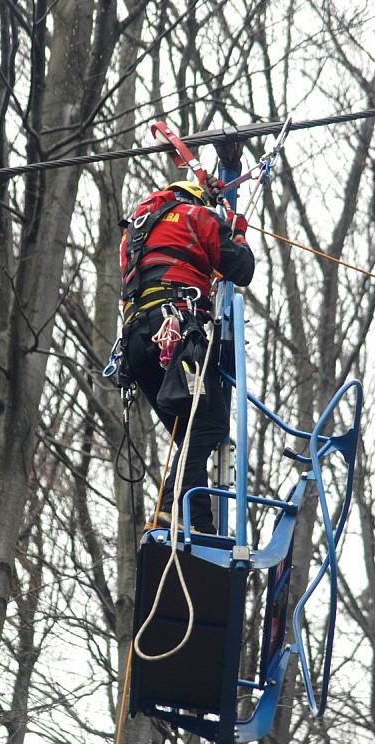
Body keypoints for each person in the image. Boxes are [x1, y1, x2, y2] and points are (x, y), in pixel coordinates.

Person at [120, 180, 254, 535]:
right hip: (175, 330)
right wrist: (235, 231)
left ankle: (201, 525)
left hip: (136, 343)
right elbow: (241, 269)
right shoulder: (197, 215)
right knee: (209, 425)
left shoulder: (134, 234)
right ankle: (169, 508)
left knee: (190, 434)